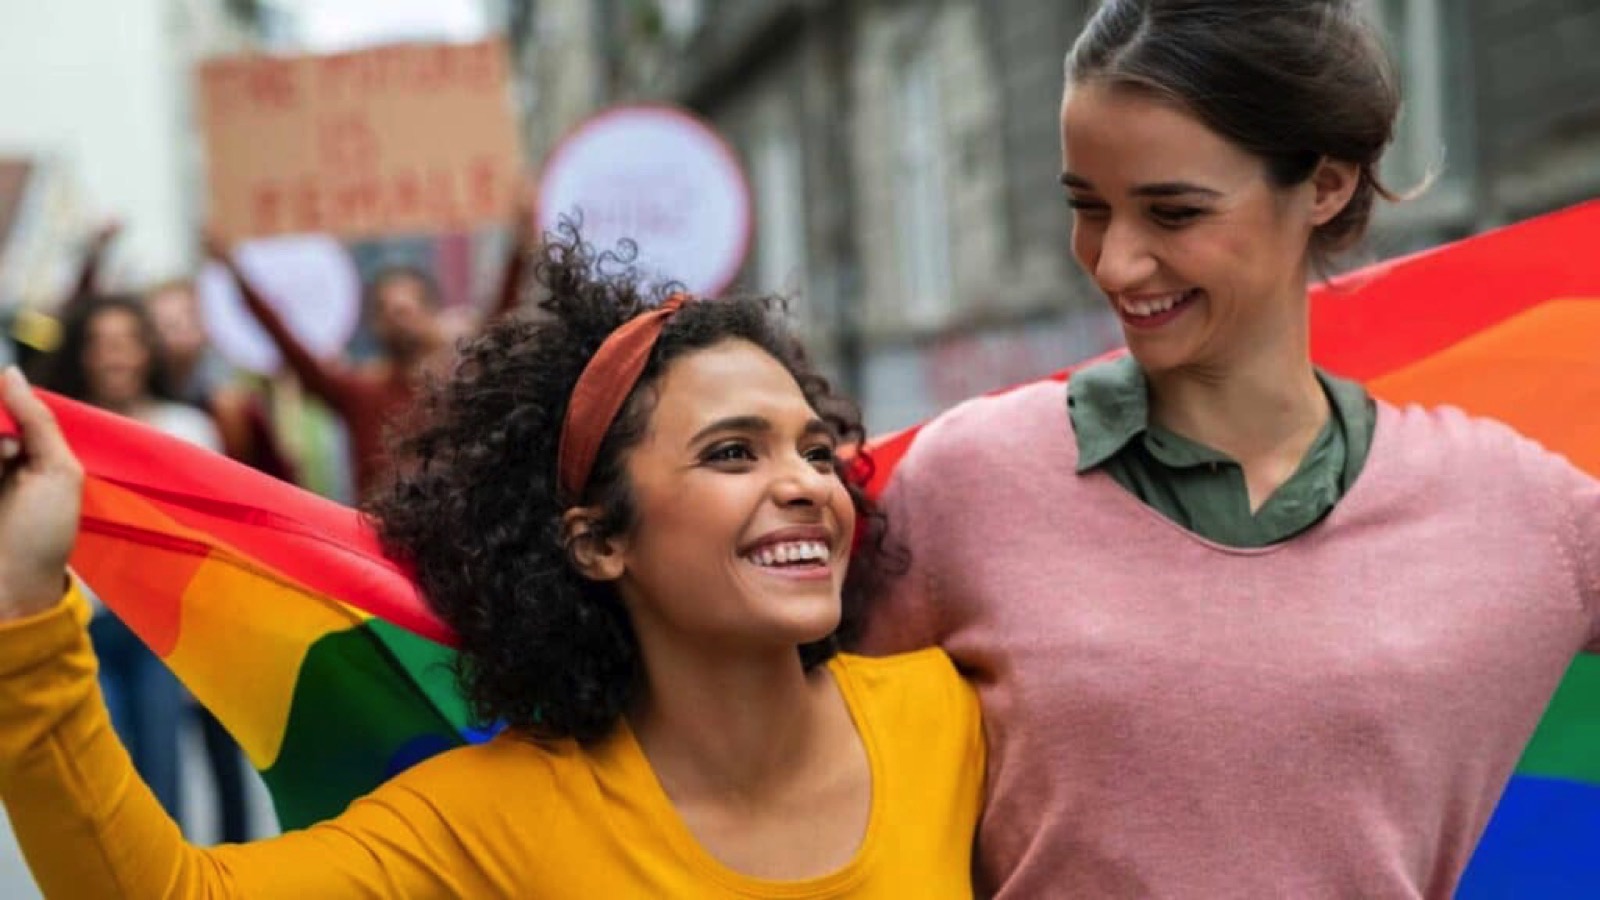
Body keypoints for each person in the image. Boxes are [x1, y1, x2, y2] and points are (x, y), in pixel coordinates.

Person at [861, 1, 1600, 896]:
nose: (1117, 263)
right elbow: (802, 780)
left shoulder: (1515, 509)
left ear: (1324, 186)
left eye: (1172, 214)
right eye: (1089, 208)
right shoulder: (964, 483)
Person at [0, 229, 985, 897]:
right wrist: (25, 612)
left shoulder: (951, 714)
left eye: (817, 450)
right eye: (733, 453)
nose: (809, 484)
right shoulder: (491, 818)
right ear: (597, 541)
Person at [32, 294, 224, 831]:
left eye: (126, 343)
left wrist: (207, 651)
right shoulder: (54, 436)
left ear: (147, 352)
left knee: (164, 785)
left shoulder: (187, 430)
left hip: (160, 636)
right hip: (83, 630)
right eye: (100, 344)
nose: (114, 357)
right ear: (83, 355)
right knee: (103, 793)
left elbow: (212, 547)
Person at [203, 197, 537, 500]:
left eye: (407, 308)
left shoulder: (462, 383)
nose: (398, 317)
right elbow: (293, 350)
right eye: (386, 310)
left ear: (432, 314)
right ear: (374, 324)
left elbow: (499, 322)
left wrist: (520, 249)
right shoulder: (358, 392)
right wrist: (236, 273)